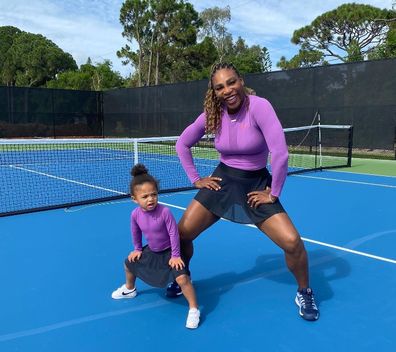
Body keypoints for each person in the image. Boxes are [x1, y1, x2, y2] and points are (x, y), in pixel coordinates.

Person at [166, 62, 319, 321]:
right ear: (214, 92)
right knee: (182, 234)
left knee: (293, 242)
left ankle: (304, 291)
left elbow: (280, 154)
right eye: (220, 87)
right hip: (223, 181)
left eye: (231, 82)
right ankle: (183, 278)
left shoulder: (260, 107)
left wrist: (274, 193)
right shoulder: (212, 114)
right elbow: (182, 144)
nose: (227, 90)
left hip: (256, 185)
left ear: (241, 80)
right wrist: (195, 179)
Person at [111, 163, 200, 329]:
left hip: (170, 252)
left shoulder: (165, 212)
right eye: (144, 197)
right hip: (152, 251)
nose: (150, 199)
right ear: (134, 199)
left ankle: (194, 309)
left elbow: (174, 234)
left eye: (153, 194)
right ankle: (130, 289)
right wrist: (137, 249)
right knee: (128, 263)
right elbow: (135, 232)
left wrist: (175, 255)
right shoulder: (135, 214)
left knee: (182, 278)